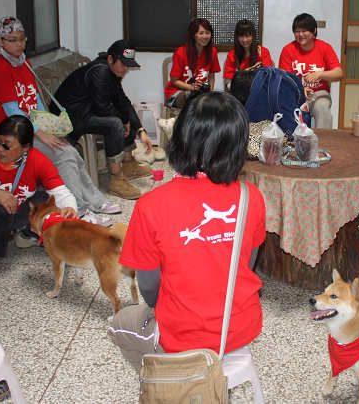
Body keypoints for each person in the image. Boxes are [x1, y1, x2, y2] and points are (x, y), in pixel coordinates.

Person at [108, 92, 266, 366]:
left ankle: (165, 378)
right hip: (240, 325)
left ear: (180, 138)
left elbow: (149, 286)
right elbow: (247, 263)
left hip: (183, 334)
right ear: (238, 147)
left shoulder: (150, 205)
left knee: (119, 324)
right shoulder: (250, 196)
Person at [0, 16, 119, 226]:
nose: (19, 44)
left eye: (22, 39)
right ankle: (79, 212)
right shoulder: (0, 69)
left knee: (71, 152)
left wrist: (50, 126)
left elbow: (36, 101)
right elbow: (13, 111)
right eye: (12, 40)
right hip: (14, 136)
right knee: (64, 156)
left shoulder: (24, 63)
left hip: (32, 128)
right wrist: (41, 134)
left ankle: (95, 201)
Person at [0, 115, 78, 273]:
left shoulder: (37, 160)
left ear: (25, 147)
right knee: (0, 208)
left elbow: (60, 191)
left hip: (16, 213)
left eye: (7, 145)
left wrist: (70, 208)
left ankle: (26, 234)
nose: (0, 149)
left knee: (46, 200)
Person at [54, 40, 153, 200]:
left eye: (128, 65)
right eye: (123, 64)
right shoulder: (100, 72)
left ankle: (128, 164)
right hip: (70, 118)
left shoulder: (111, 72)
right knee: (115, 123)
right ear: (110, 59)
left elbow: (122, 101)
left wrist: (140, 130)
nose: (125, 69)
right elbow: (102, 108)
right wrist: (124, 120)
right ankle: (116, 178)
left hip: (86, 110)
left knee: (124, 114)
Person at [278, 13, 343, 129]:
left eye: (304, 31)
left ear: (314, 31)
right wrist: (300, 90)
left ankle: (324, 139)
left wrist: (320, 74)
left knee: (322, 107)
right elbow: (284, 79)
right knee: (285, 110)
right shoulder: (288, 50)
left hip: (319, 94)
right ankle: (292, 139)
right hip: (295, 95)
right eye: (297, 31)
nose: (300, 34)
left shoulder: (325, 48)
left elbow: (339, 73)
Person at [164, 18, 221, 109]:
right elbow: (174, 81)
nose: (205, 36)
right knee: (192, 97)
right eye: (201, 33)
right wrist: (191, 87)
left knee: (217, 100)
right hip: (177, 94)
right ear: (193, 35)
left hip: (199, 93)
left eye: (207, 33)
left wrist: (209, 93)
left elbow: (211, 76)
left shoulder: (212, 52)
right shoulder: (180, 52)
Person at [222, 19, 273, 91]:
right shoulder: (232, 55)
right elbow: (228, 83)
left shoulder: (263, 52)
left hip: (259, 92)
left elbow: (269, 78)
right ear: (237, 37)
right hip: (239, 93)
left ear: (253, 36)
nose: (244, 40)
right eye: (241, 36)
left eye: (247, 36)